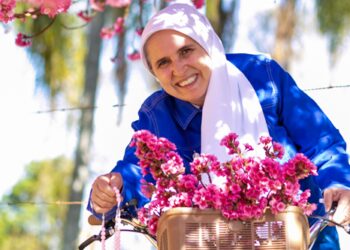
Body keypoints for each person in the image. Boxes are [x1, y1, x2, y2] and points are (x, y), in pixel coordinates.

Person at [87, 1, 350, 249]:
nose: (178, 69)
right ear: (155, 73)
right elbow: (138, 172)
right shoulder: (157, 115)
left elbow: (321, 141)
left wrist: (339, 183)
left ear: (208, 44)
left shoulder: (262, 76)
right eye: (163, 63)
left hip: (303, 236)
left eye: (186, 51)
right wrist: (113, 187)